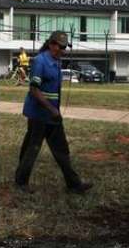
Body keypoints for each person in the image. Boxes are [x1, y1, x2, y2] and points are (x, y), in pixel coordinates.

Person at [14, 31, 92, 194]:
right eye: (61, 47)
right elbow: (34, 90)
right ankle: (21, 183)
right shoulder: (40, 62)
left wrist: (54, 111)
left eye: (65, 47)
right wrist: (51, 109)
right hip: (39, 114)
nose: (63, 50)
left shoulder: (56, 61)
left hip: (52, 115)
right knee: (32, 148)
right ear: (51, 44)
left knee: (61, 149)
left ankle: (74, 184)